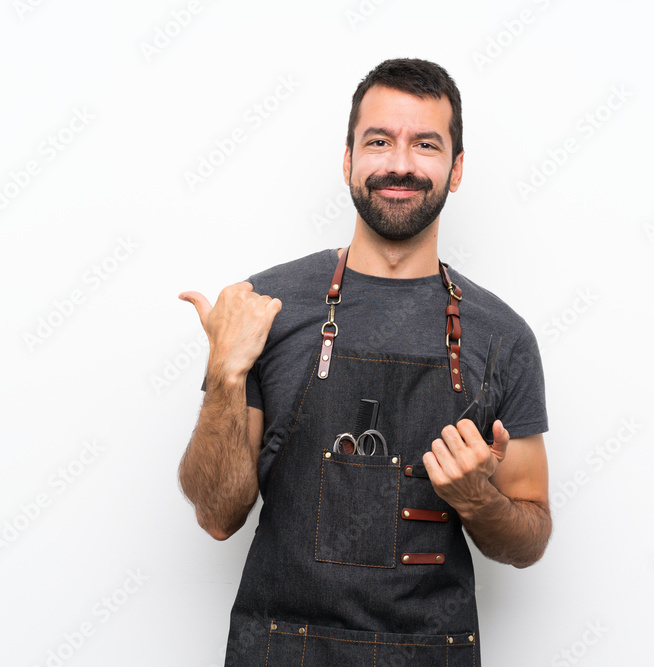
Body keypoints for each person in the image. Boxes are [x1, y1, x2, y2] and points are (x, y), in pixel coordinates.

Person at [178, 58, 551, 666]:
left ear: (455, 170)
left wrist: (478, 498)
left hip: (431, 652)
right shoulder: (263, 310)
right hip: (281, 650)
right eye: (378, 141)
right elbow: (218, 516)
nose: (400, 163)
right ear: (348, 160)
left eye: (425, 144)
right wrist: (225, 374)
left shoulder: (502, 338)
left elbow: (528, 540)